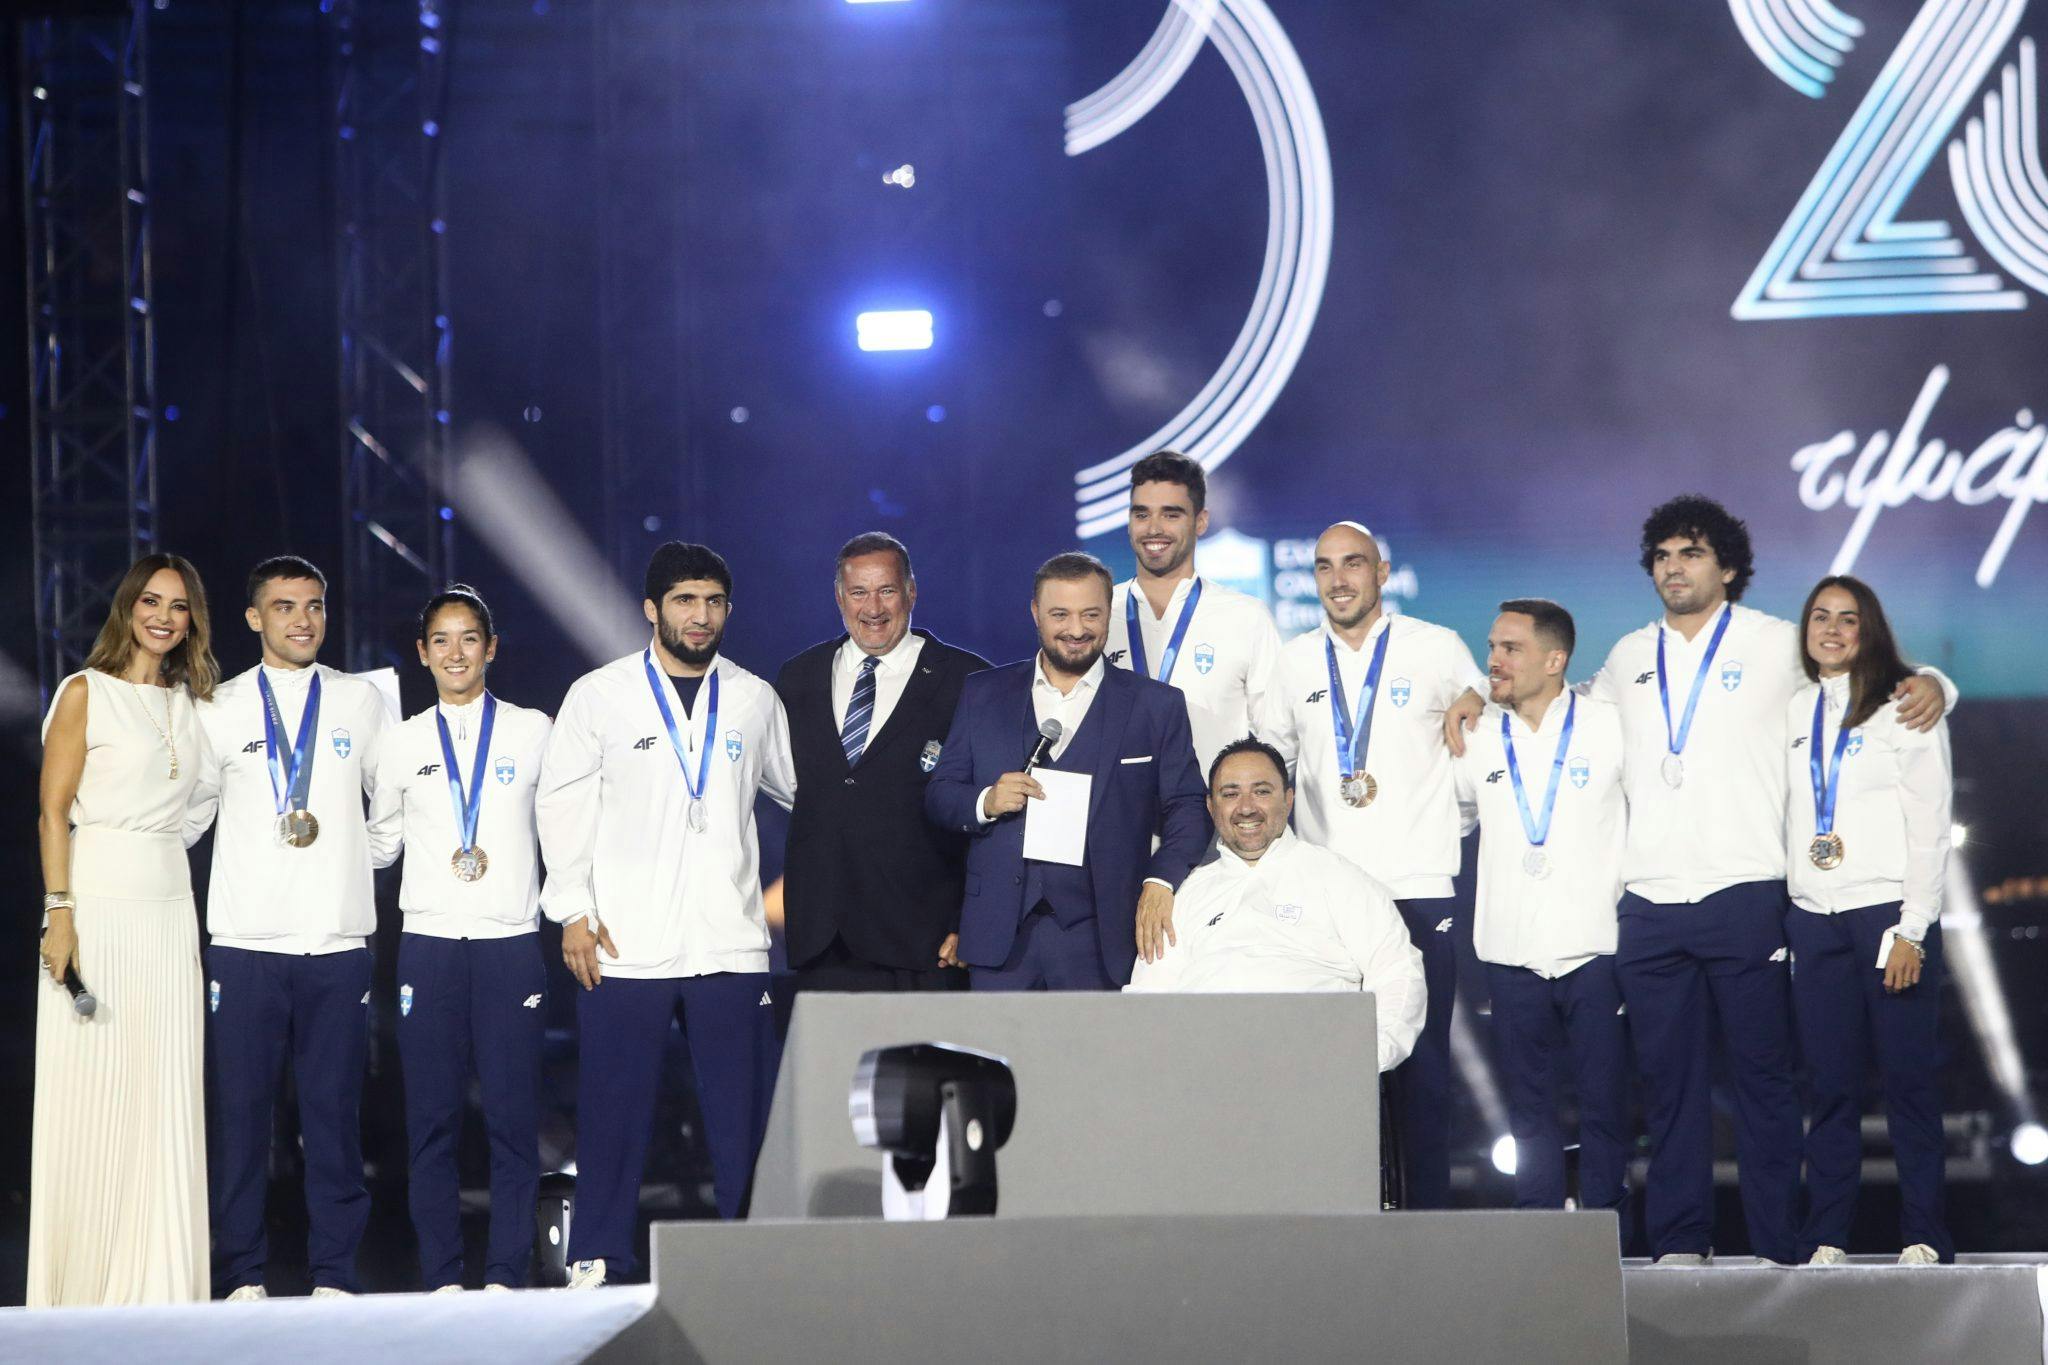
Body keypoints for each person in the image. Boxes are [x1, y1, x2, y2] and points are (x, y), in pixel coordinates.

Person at [1445, 495, 1951, 1264]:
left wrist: (1937, 680)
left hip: (1747, 891)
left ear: (1730, 568)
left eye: (1691, 553)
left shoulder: (1776, 643)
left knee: (1763, 1082)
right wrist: (1481, 691)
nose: (1674, 567)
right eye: (1663, 556)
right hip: (1649, 903)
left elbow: (1865, 674)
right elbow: (1556, 705)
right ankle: (1682, 1239)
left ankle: (1779, 1244)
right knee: (1667, 1084)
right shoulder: (1627, 657)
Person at [537, 542, 795, 1289]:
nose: (700, 615)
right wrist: (573, 912)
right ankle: (597, 1254)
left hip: (730, 942)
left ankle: (755, 1253)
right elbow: (560, 808)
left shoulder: (753, 697)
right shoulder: (599, 695)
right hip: (625, 942)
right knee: (612, 1109)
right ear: (652, 609)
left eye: (713, 601)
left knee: (743, 1117)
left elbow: (804, 794)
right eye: (685, 600)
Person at [1253, 521, 1485, 1210]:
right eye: (1325, 566)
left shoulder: (1437, 647)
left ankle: (1428, 1233)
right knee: (1331, 1077)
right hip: (1328, 900)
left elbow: (1486, 721)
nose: (1338, 579)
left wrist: (1477, 697)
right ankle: (1341, 1232)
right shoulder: (1294, 662)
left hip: (1418, 889)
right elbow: (1271, 769)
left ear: (1382, 572)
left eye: (1353, 563)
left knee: (1424, 1073)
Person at [186, 555, 395, 1299]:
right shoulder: (217, 706)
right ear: (254, 617)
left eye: (314, 606)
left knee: (333, 1119)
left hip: (336, 944)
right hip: (245, 945)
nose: (302, 621)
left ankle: (333, 1272)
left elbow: (391, 803)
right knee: (243, 1120)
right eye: (284, 607)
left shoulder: (361, 700)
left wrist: (352, 861)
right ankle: (242, 1273)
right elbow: (190, 816)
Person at [30, 555, 219, 1306]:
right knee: (95, 1090)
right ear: (128, 607)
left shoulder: (191, 704)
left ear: (193, 619)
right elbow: (52, 812)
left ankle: (159, 1284)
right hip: (98, 903)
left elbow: (197, 806)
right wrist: (60, 913)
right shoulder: (86, 691)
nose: (163, 617)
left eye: (178, 605)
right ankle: (81, 1289)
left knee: (163, 1091)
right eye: (151, 601)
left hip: (170, 907)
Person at [367, 586, 554, 1291]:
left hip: (511, 943)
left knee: (512, 1120)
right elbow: (380, 844)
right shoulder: (400, 741)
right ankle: (443, 1275)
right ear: (422, 653)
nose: (455, 653)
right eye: (441, 640)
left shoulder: (534, 730)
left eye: (469, 638)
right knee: (432, 1122)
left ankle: (505, 1272)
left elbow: (566, 829)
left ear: (491, 647)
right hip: (430, 946)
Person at [924, 552, 1209, 990]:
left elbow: (1188, 806)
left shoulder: (1156, 705)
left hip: (1103, 937)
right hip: (999, 938)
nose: (1076, 630)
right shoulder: (983, 693)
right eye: (1060, 614)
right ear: (1035, 613)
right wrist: (986, 801)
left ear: (1108, 613)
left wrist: (1160, 880)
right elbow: (941, 794)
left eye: (1090, 614)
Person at [1785, 576, 1953, 1266]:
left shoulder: (1905, 705)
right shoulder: (1793, 707)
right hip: (1813, 919)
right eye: (1820, 617)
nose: (1831, 629)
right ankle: (1827, 1235)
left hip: (1888, 917)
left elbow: (1930, 824)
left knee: (1908, 1084)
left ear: (1869, 628)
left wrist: (1913, 927)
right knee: (1830, 1089)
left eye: (1847, 619)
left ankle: (1924, 1234)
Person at [1450, 600, 1629, 1221]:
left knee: (1606, 1106)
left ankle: (1608, 1235)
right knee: (1527, 1112)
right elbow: (1451, 819)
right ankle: (1539, 1233)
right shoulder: (1474, 736)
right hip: (1510, 953)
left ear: (1555, 661)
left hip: (1596, 949)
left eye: (1510, 649)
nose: (1494, 661)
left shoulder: (1609, 726)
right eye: (1492, 647)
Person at [1127, 739, 1426, 1073]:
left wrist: (1365, 1059)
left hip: (1314, 1069)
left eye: (1261, 791)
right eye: (1230, 794)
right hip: (1205, 1071)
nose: (1246, 807)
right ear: (1211, 807)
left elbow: (1397, 969)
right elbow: (1148, 995)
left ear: (1288, 799)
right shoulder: (1188, 894)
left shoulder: (1338, 878)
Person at [775, 533, 991, 991]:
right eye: (859, 592)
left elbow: (988, 816)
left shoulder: (969, 680)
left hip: (926, 943)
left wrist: (968, 920)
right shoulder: (797, 678)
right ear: (839, 598)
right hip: (824, 942)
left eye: (886, 590)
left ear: (911, 592)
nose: (872, 607)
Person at [1105, 451, 1283, 775]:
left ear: (1201, 522)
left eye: (1170, 515)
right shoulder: (1098, 616)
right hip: (1117, 807)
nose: (1153, 528)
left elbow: (1277, 739)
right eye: (1142, 514)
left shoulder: (1246, 618)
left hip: (1209, 806)